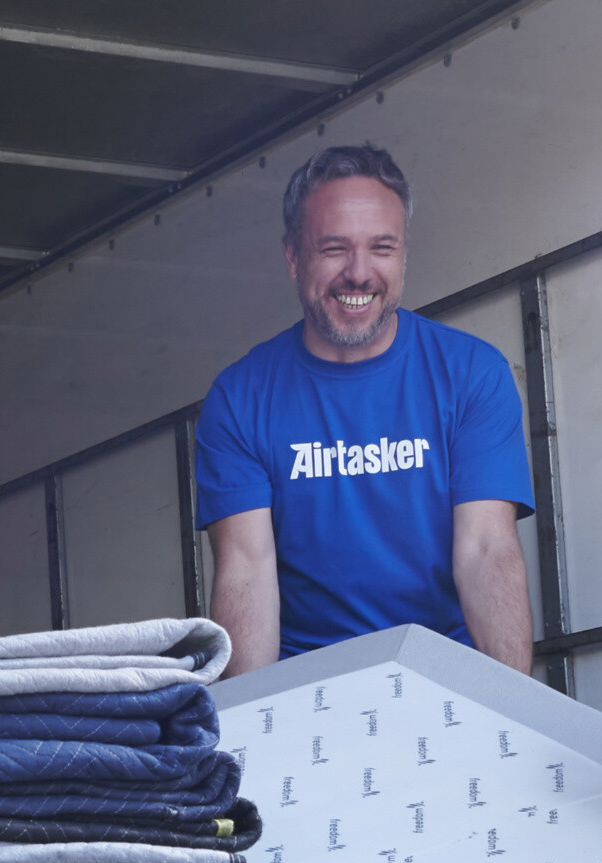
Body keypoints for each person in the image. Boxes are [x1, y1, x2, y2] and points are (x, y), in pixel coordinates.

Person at [195, 144, 535, 677]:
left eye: (381, 247)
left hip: (445, 672)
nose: (359, 273)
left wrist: (511, 711)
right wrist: (254, 732)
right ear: (293, 257)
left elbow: (487, 549)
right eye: (334, 249)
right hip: (307, 685)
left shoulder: (472, 374)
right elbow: (246, 572)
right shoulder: (239, 399)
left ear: (402, 255)